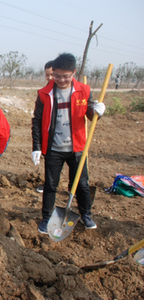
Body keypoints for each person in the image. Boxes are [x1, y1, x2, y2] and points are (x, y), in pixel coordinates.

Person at [31, 53, 106, 234]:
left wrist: (97, 111)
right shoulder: (44, 93)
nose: (61, 80)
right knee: (50, 184)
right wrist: (36, 147)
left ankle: (86, 214)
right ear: (52, 73)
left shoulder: (84, 90)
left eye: (66, 76)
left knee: (82, 184)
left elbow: (89, 115)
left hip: (77, 148)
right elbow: (37, 121)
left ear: (74, 73)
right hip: (53, 148)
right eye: (57, 76)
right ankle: (47, 217)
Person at [36, 60, 54, 193]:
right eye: (47, 75)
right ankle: (48, 183)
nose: (49, 78)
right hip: (49, 134)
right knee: (49, 163)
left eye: (52, 74)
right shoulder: (43, 93)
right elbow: (37, 118)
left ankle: (74, 188)